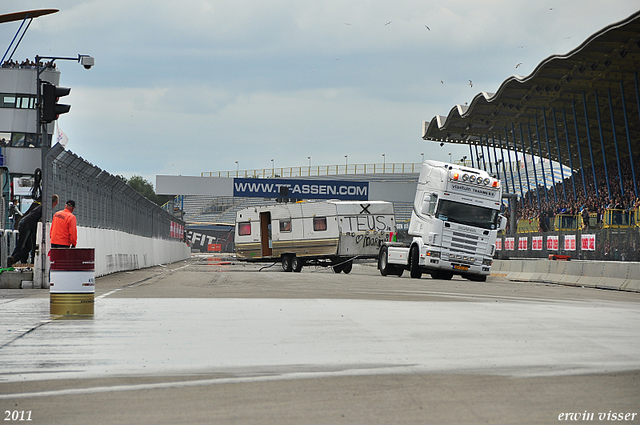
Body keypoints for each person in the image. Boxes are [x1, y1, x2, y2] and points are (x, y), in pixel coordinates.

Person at [8, 195, 59, 266]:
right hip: (27, 225)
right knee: (21, 245)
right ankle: (11, 260)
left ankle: (13, 259)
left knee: (29, 247)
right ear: (56, 202)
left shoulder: (44, 206)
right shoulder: (46, 208)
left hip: (27, 224)